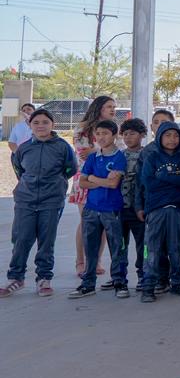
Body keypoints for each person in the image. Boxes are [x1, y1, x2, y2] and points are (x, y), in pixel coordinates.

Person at [2, 109, 77, 298]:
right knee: (21, 239)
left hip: (51, 201)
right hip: (25, 200)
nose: (40, 126)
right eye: (36, 123)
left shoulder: (62, 147)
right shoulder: (24, 148)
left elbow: (71, 168)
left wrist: (56, 183)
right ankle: (15, 278)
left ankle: (43, 279)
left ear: (53, 125)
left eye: (45, 122)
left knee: (46, 241)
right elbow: (19, 169)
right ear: (30, 125)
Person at [68, 119, 128, 299]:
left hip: (112, 209)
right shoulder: (93, 157)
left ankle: (119, 282)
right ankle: (88, 284)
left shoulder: (119, 157)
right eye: (98, 134)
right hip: (91, 208)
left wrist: (93, 178)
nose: (101, 137)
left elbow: (113, 184)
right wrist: (100, 180)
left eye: (105, 133)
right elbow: (82, 182)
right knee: (90, 248)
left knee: (117, 248)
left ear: (114, 135)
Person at [138, 121, 180, 302]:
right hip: (156, 209)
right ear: (160, 137)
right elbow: (149, 183)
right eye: (168, 135)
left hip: (178, 208)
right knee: (153, 249)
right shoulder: (152, 158)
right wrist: (174, 179)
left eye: (176, 135)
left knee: (175, 248)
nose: (172, 139)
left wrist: (163, 176)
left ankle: (177, 282)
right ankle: (149, 285)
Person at [71, 95, 116, 278]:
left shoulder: (114, 127)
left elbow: (119, 149)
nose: (113, 110)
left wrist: (98, 150)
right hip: (86, 179)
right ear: (99, 107)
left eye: (114, 107)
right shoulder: (83, 128)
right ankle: (80, 261)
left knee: (103, 223)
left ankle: (95, 260)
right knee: (86, 221)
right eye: (109, 106)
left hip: (106, 180)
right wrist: (103, 149)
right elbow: (84, 153)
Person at [118, 118, 147, 291]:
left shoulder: (147, 155)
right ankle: (119, 277)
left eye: (133, 134)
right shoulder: (119, 155)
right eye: (125, 134)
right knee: (120, 245)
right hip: (120, 207)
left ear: (142, 135)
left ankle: (143, 275)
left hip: (139, 209)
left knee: (142, 244)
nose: (128, 137)